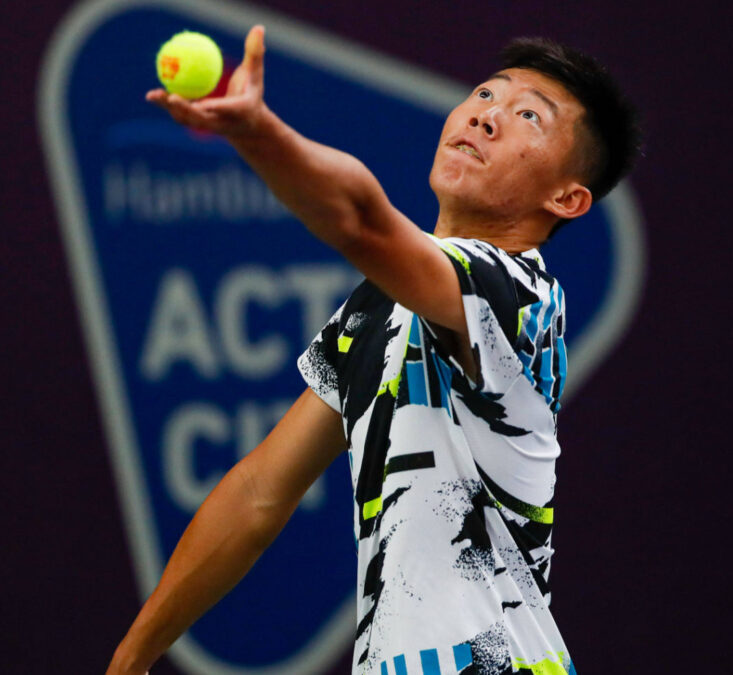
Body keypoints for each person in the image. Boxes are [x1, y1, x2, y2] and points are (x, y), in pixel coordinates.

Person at [106, 25, 640, 675]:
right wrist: (132, 656)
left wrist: (258, 133)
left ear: (567, 197)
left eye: (528, 115)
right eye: (485, 93)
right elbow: (256, 493)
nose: (487, 114)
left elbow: (359, 219)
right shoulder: (379, 306)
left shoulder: (519, 295)